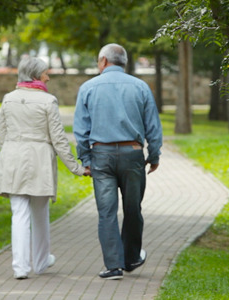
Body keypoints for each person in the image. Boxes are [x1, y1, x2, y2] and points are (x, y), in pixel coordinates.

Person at [0, 57, 90, 280]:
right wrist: (76, 168)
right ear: (35, 75)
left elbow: (2, 135)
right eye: (45, 72)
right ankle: (42, 262)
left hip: (13, 157)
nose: (48, 76)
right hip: (39, 160)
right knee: (40, 214)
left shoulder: (8, 99)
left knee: (19, 214)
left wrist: (10, 153)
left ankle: (20, 268)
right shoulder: (48, 101)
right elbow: (58, 139)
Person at [73, 43, 163, 280]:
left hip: (101, 157)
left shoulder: (88, 87)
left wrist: (86, 159)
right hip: (132, 154)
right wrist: (153, 156)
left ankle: (113, 266)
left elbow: (81, 130)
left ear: (103, 61)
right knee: (133, 208)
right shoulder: (141, 87)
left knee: (106, 212)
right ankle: (131, 258)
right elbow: (153, 126)